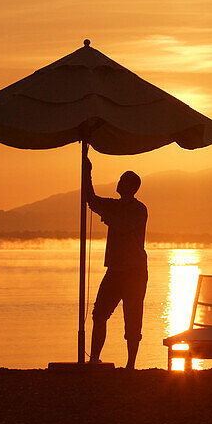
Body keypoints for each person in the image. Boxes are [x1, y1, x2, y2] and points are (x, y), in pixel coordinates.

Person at [84, 156, 148, 370]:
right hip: (115, 271)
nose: (118, 183)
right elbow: (91, 200)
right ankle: (94, 358)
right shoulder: (113, 205)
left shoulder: (140, 209)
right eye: (119, 180)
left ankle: (131, 364)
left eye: (122, 181)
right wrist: (87, 173)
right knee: (99, 313)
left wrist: (108, 217)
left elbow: (125, 226)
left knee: (132, 317)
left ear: (131, 187)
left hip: (135, 272)